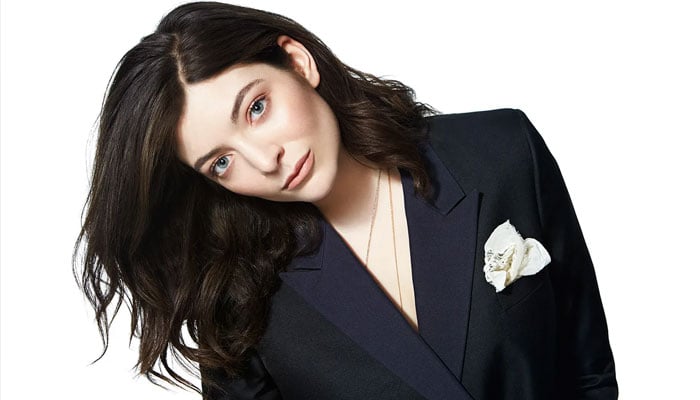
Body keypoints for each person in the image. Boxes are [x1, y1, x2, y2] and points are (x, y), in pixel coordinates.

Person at [75, 1, 617, 399]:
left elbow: (589, 373)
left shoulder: (500, 152)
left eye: (256, 108)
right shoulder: (239, 302)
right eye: (221, 161)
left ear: (297, 62)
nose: (266, 160)